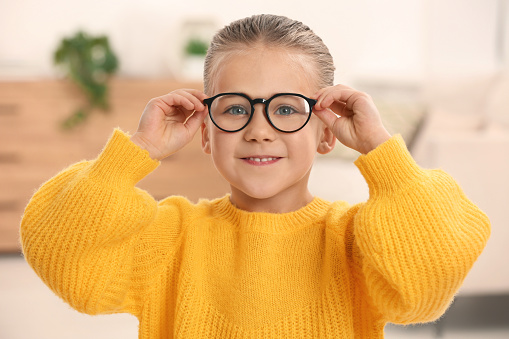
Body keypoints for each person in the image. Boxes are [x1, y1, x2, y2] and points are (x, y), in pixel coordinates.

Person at [20, 14, 490, 338]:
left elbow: (431, 280)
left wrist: (381, 149)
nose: (259, 131)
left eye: (286, 108)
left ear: (326, 134)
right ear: (206, 134)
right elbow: (60, 251)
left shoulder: (354, 242)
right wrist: (134, 154)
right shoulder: (170, 238)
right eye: (236, 109)